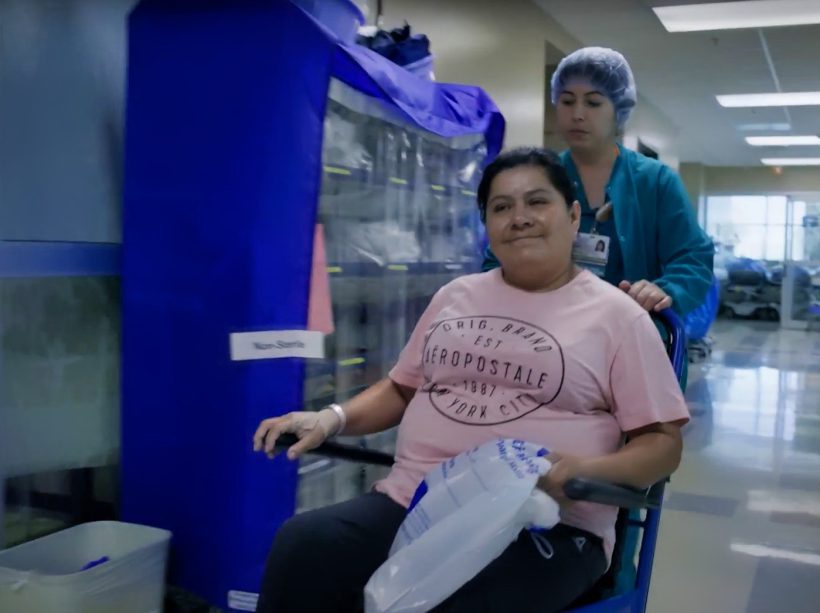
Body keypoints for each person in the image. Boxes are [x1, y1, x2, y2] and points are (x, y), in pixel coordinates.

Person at [253, 147, 690, 613]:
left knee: (449, 600)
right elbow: (402, 387)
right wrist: (330, 418)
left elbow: (662, 443)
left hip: (542, 522)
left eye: (537, 202)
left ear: (573, 215)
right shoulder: (455, 296)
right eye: (501, 207)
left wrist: (585, 471)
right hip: (414, 503)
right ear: (487, 225)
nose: (519, 218)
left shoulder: (619, 318)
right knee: (304, 545)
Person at [483, 47, 713, 386]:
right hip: (545, 344)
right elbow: (498, 257)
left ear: (618, 110)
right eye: (566, 101)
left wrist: (664, 290)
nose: (577, 114)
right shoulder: (537, 178)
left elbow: (693, 258)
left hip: (631, 342)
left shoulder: (655, 182)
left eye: (593, 102)